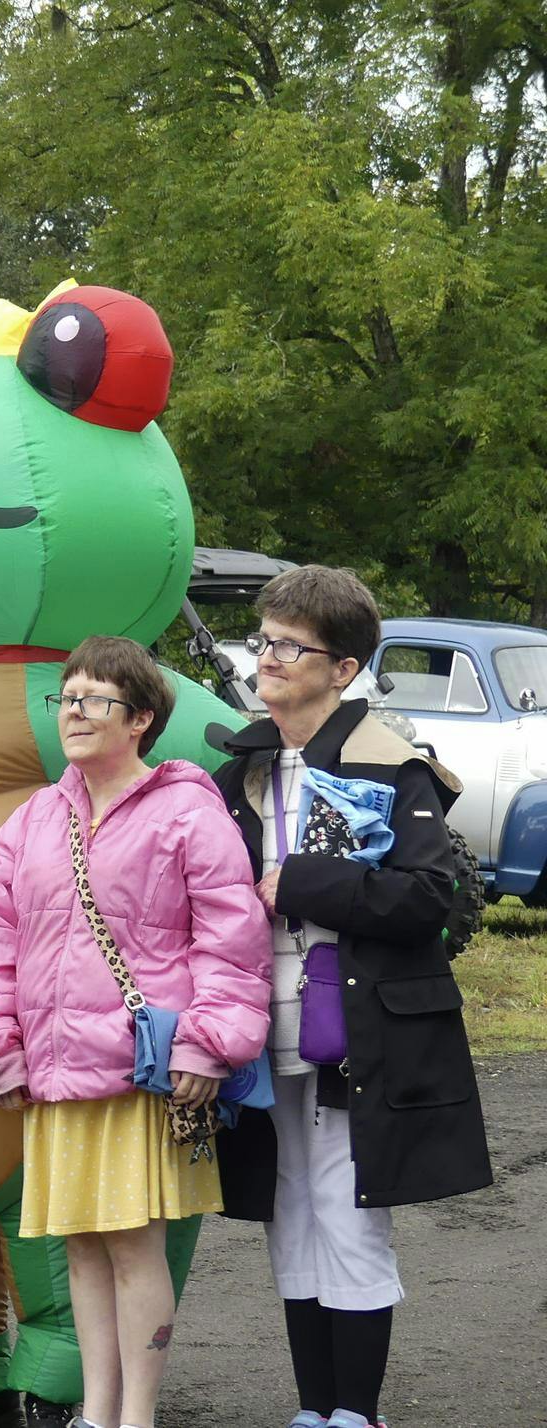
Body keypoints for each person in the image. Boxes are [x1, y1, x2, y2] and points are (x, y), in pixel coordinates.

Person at [0, 636, 271, 1428]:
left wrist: (207, 1043)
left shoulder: (188, 810)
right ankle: (97, 1411)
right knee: (82, 1246)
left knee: (134, 1246)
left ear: (141, 719)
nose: (73, 713)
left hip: (140, 1073)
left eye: (94, 699)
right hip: (56, 1072)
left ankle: (139, 1418)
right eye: (66, 698)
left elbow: (231, 941)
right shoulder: (33, 818)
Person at [211, 567, 492, 1428]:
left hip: (358, 1028)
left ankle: (355, 1414)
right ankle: (313, 1409)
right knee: (286, 1211)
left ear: (343, 668)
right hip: (264, 1027)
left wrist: (299, 882)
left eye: (291, 646)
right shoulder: (243, 766)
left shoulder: (390, 761)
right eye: (265, 640)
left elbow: (427, 899)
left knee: (345, 1210)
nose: (269, 658)